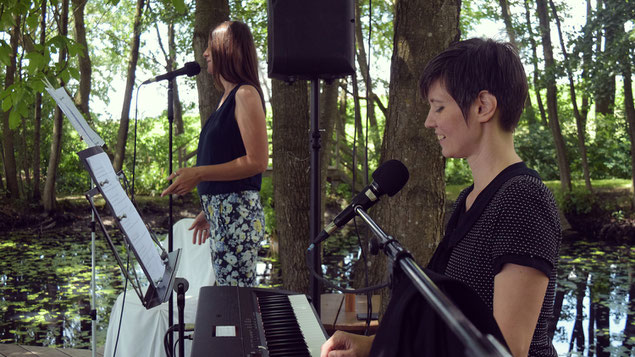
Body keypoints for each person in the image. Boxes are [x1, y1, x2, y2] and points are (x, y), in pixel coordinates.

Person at [321, 38, 561, 357]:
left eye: (438, 107)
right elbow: (450, 326)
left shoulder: (523, 198)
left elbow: (504, 351)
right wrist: (370, 347)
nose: (429, 121)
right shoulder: (469, 199)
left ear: (482, 106)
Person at [161, 20, 268, 287]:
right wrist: (211, 208)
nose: (205, 53)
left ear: (227, 51)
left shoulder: (245, 94)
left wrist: (198, 174)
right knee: (231, 298)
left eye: (211, 47)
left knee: (237, 303)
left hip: (237, 216)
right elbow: (227, 158)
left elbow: (257, 162)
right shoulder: (226, 98)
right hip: (224, 213)